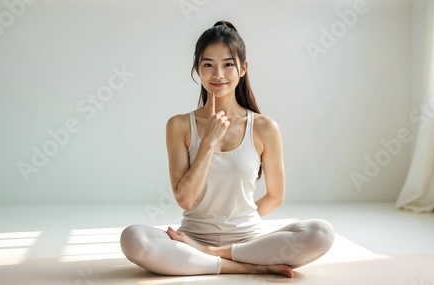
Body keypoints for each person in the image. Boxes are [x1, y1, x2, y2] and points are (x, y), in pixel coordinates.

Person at [120, 20, 335, 278]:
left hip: (247, 241)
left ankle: (212, 254)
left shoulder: (264, 127)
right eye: (208, 64)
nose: (218, 74)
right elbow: (185, 199)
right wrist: (208, 142)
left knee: (321, 233)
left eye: (228, 64)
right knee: (132, 238)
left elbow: (275, 196)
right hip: (191, 235)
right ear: (197, 70)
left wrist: (236, 225)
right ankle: (245, 266)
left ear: (243, 68)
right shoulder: (179, 125)